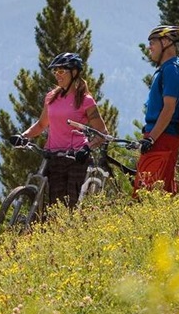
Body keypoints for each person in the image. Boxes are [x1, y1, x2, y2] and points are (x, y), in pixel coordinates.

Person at [11, 52, 107, 209]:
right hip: (54, 158)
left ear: (74, 72)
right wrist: (23, 136)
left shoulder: (86, 100)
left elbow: (102, 133)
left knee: (74, 208)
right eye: (55, 71)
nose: (57, 75)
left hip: (77, 159)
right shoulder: (51, 97)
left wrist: (87, 148)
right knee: (56, 209)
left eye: (61, 71)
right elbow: (41, 125)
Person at [137, 25, 179, 194]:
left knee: (146, 193)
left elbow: (169, 109)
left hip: (161, 139)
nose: (149, 47)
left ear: (165, 42)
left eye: (152, 42)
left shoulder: (171, 70)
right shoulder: (173, 67)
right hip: (162, 137)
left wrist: (151, 139)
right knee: (162, 191)